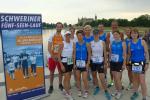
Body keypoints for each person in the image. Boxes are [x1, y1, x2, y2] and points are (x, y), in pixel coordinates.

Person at [90, 29, 112, 100]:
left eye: (97, 34)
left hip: (100, 61)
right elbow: (90, 53)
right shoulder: (91, 43)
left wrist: (105, 61)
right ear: (93, 35)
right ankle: (97, 87)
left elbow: (105, 53)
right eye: (94, 34)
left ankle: (106, 91)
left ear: (99, 34)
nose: (96, 35)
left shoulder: (102, 42)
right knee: (94, 75)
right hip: (93, 62)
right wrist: (89, 61)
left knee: (101, 76)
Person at [128, 28, 149, 100]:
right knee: (135, 79)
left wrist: (147, 63)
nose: (134, 34)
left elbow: (146, 53)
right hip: (134, 63)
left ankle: (144, 97)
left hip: (142, 63)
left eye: (135, 33)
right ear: (130, 34)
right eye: (132, 33)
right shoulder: (129, 43)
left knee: (142, 81)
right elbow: (129, 55)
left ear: (137, 34)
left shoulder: (142, 41)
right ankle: (135, 92)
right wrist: (128, 63)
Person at [73, 30, 91, 98]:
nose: (79, 37)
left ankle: (86, 91)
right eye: (78, 35)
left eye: (80, 35)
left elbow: (89, 54)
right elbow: (74, 54)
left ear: (83, 36)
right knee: (77, 78)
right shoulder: (75, 44)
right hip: (77, 63)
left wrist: (88, 63)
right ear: (76, 36)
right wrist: (74, 63)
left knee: (84, 78)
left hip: (84, 63)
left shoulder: (87, 43)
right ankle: (79, 90)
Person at [106, 20, 124, 88]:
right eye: (113, 25)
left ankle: (120, 82)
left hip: (119, 55)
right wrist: (108, 53)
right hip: (112, 54)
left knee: (119, 71)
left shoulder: (121, 33)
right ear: (111, 26)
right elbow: (107, 44)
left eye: (115, 25)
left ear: (117, 25)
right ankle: (112, 81)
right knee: (111, 70)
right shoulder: (108, 34)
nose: (114, 26)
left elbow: (122, 43)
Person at [48, 22, 64, 94]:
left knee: (60, 72)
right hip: (53, 56)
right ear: (56, 27)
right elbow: (48, 48)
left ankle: (60, 84)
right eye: (58, 27)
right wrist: (53, 56)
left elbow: (64, 47)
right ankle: (51, 86)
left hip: (60, 56)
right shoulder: (52, 36)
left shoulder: (63, 36)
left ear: (62, 28)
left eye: (60, 27)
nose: (59, 28)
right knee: (52, 72)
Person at [110, 31, 126, 99]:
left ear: (119, 35)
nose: (115, 35)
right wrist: (109, 61)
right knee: (115, 78)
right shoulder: (112, 42)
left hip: (119, 62)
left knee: (117, 78)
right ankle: (117, 90)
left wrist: (124, 64)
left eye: (117, 34)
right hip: (113, 62)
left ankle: (120, 92)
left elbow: (124, 54)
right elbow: (110, 52)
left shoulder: (123, 43)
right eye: (114, 34)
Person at [59, 31, 74, 100]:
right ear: (65, 36)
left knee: (68, 77)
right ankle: (67, 94)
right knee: (67, 78)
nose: (68, 36)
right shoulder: (62, 43)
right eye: (66, 35)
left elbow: (73, 54)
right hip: (64, 62)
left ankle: (65, 90)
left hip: (70, 61)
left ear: (70, 36)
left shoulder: (72, 43)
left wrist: (74, 63)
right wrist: (61, 65)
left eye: (69, 35)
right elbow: (58, 55)